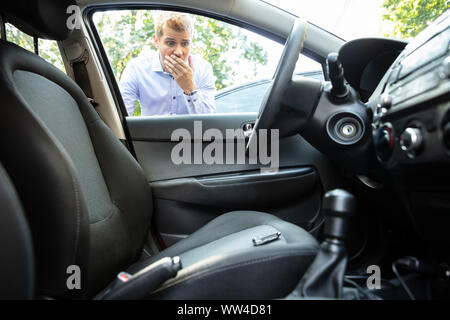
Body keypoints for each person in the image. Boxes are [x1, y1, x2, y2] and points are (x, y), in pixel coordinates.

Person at [119, 11, 216, 116]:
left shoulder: (203, 69)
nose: (178, 52)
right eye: (170, 43)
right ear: (156, 41)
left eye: (184, 43)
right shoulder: (136, 69)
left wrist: (190, 88)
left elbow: (208, 122)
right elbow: (119, 118)